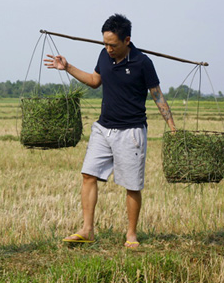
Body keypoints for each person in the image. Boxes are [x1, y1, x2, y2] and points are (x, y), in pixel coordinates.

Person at [44, 14, 176, 248]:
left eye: (113, 44)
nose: (108, 48)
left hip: (131, 131)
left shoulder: (142, 62)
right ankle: (87, 230)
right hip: (103, 128)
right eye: (105, 43)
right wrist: (68, 68)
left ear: (127, 40)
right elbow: (95, 80)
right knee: (88, 175)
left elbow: (156, 94)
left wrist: (172, 126)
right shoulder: (104, 56)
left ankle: (131, 234)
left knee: (132, 185)